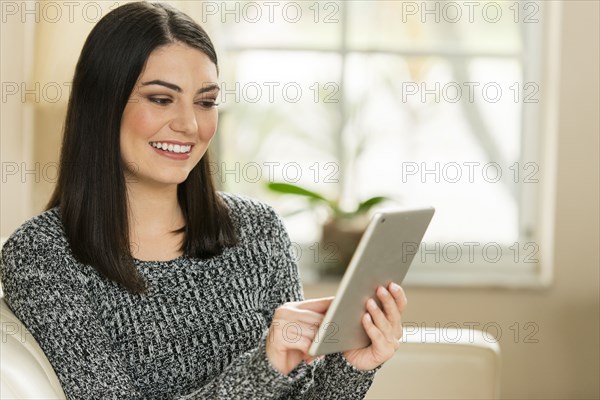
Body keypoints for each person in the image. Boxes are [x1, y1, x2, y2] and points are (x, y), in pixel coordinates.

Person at [0, 2, 407, 399]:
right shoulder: (43, 254)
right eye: (161, 99)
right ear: (103, 105)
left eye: (206, 101)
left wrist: (353, 366)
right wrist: (264, 369)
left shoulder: (258, 229)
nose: (190, 125)